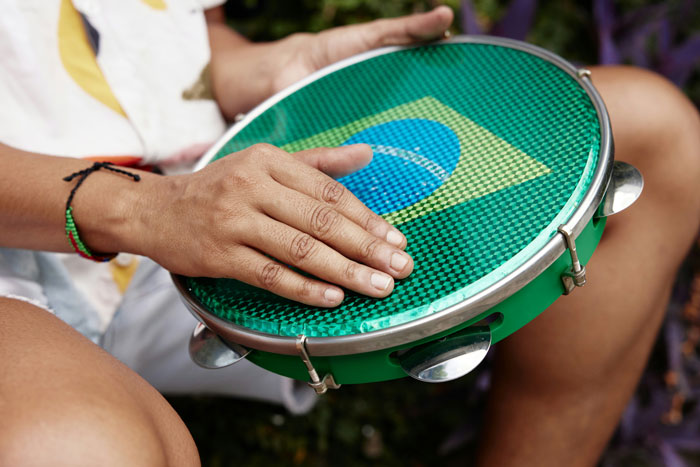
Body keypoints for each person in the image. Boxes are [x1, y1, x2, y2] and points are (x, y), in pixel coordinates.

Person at [0, 2, 698, 466]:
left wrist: (261, 72)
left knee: (654, 132)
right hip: (21, 262)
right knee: (86, 447)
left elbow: (170, 37)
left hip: (198, 181)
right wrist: (145, 211)